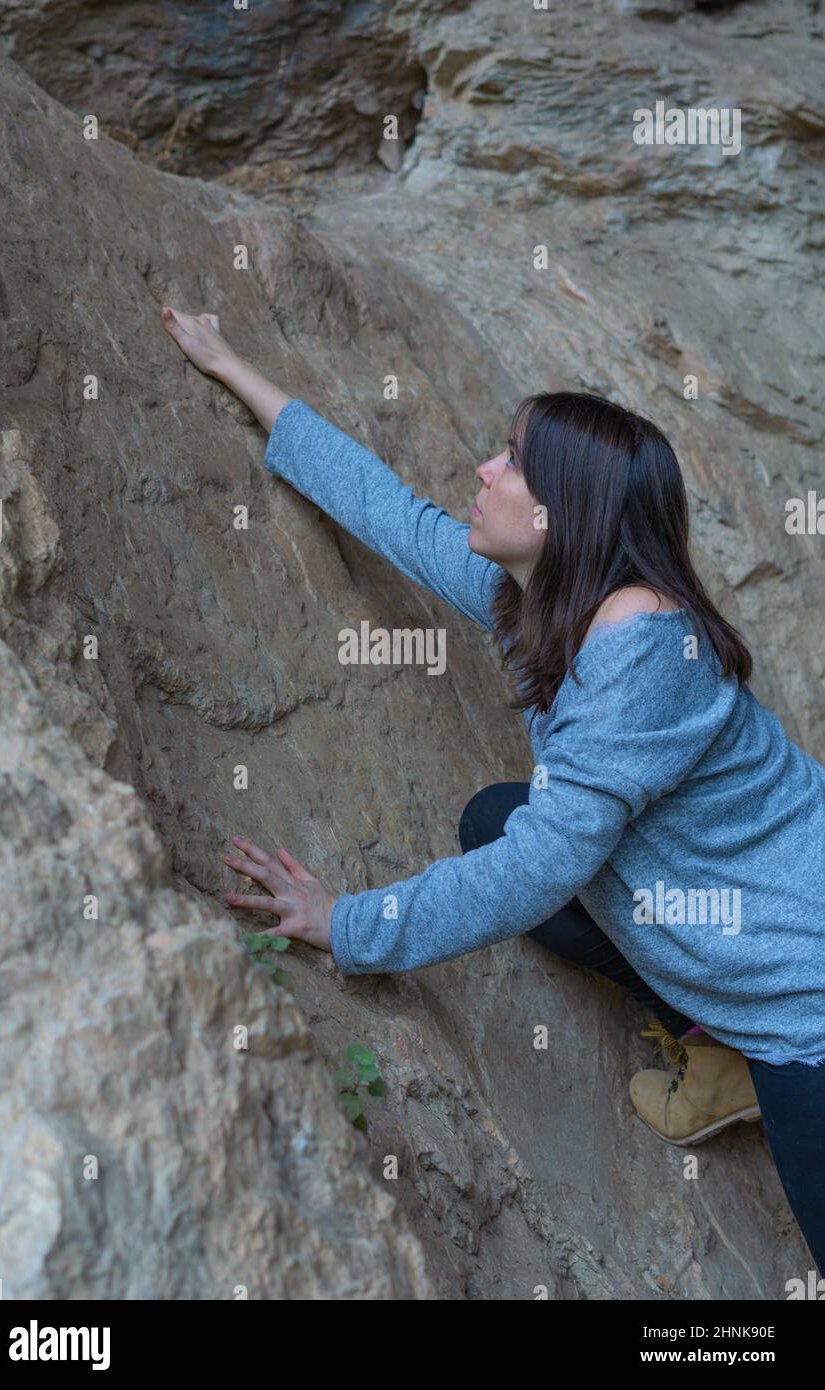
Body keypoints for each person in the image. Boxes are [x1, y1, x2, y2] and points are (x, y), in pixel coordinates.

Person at [161, 306, 825, 1277]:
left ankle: (743, 1050)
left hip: (799, 992)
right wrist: (235, 369)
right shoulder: (545, 598)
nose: (482, 471)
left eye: (509, 462)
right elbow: (392, 515)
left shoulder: (642, 653)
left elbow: (532, 873)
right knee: (491, 819)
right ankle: (708, 1038)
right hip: (724, 922)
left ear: (568, 512)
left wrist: (348, 922)